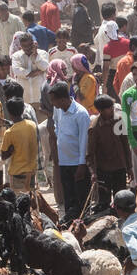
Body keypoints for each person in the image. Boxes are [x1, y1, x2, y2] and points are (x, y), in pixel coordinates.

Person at [49, 81, 90, 220]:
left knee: (81, 200)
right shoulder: (58, 110)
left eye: (54, 100)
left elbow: (84, 141)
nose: (53, 103)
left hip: (77, 164)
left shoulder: (81, 114)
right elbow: (57, 127)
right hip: (64, 162)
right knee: (68, 198)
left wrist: (81, 164)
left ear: (62, 98)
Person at [0, 97, 37, 193]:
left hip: (17, 173)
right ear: (23, 110)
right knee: (31, 200)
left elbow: (3, 156)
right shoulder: (32, 125)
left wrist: (11, 150)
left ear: (9, 113)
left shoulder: (9, 132)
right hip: (31, 171)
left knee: (19, 202)